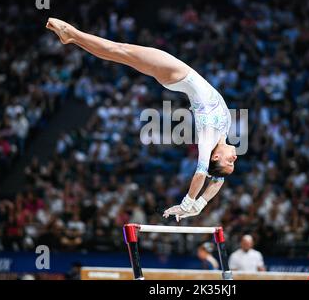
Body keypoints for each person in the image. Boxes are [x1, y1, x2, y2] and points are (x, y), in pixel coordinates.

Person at [46, 18, 238, 221]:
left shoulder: (208, 138)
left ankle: (72, 33)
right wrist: (200, 205)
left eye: (229, 162)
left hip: (178, 74)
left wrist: (187, 203)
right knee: (119, 54)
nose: (234, 158)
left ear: (216, 157)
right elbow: (217, 180)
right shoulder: (222, 136)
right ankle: (73, 38)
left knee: (121, 50)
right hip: (177, 77)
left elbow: (201, 173)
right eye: (233, 162)